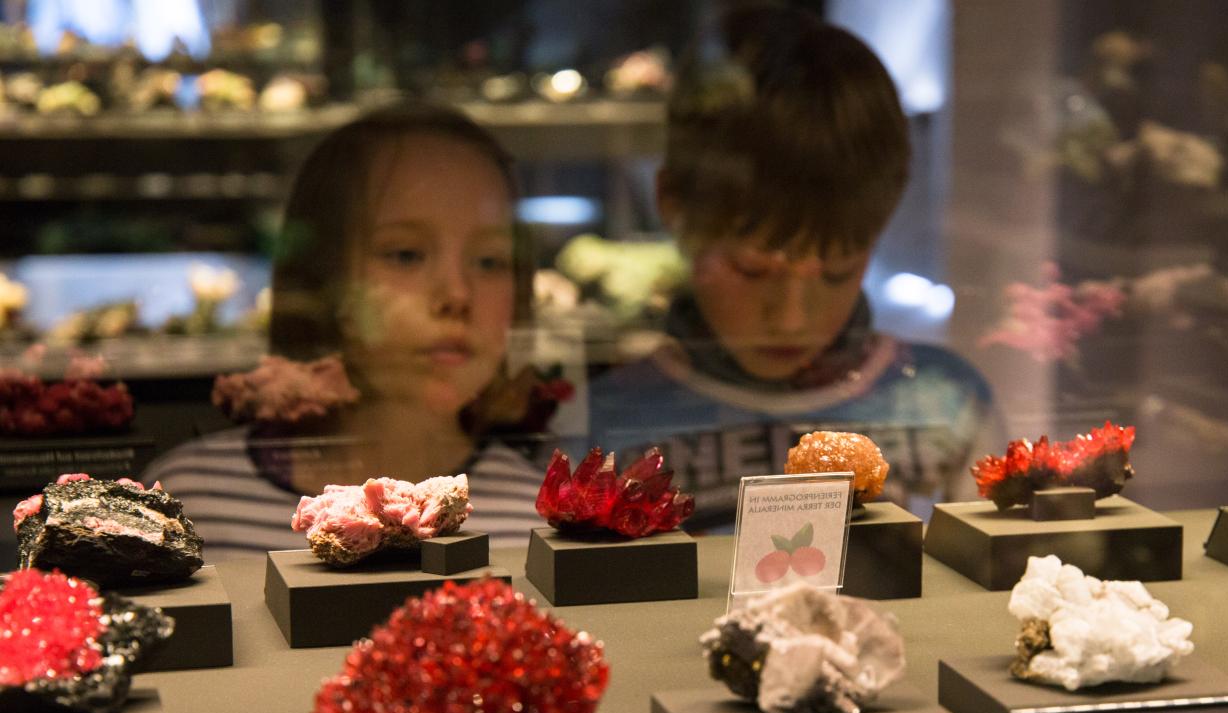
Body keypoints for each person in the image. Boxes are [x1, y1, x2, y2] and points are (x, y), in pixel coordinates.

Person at [585, 5, 995, 530]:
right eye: (753, 269)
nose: (792, 319)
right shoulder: (607, 426)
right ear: (672, 207)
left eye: (838, 271)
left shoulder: (945, 405)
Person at [147, 102, 543, 557]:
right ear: (324, 281)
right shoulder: (189, 504)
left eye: (491, 260)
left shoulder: (536, 517)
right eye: (405, 254)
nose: (457, 294)